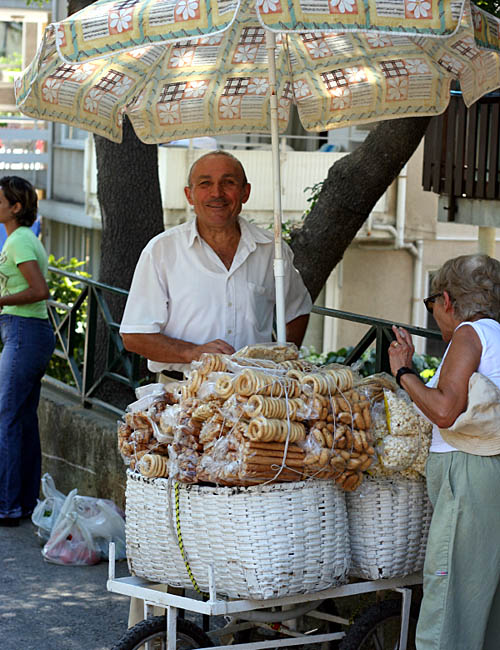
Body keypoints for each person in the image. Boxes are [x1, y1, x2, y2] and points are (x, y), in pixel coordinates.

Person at [388, 253, 500, 650]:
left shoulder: (469, 335)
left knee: (450, 588)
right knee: (484, 597)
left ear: (447, 300)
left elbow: (444, 410)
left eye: (431, 303)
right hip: (490, 471)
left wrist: (404, 372)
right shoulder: (495, 335)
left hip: (469, 471)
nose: (433, 312)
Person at [120, 150, 312, 377]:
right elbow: (134, 336)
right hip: (182, 395)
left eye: (228, 183)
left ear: (245, 192)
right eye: (205, 183)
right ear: (189, 195)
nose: (216, 193)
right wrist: (193, 353)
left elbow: (297, 311)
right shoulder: (162, 250)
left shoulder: (273, 250)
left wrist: (280, 364)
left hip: (253, 394)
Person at [0, 176, 55, 527]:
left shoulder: (19, 240)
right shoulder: (21, 238)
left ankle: (7, 506)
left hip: (23, 332)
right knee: (21, 422)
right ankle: (23, 502)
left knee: (6, 420)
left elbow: (39, 290)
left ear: (16, 207)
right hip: (29, 334)